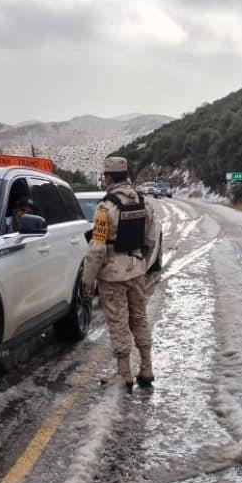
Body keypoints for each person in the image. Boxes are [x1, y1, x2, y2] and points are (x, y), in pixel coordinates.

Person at [83, 156, 157, 390]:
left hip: (113, 275)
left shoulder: (106, 208)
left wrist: (88, 281)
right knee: (139, 318)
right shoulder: (144, 202)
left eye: (104, 176)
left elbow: (97, 248)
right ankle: (146, 367)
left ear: (108, 177)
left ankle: (124, 372)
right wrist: (143, 263)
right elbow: (151, 238)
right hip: (136, 269)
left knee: (118, 322)